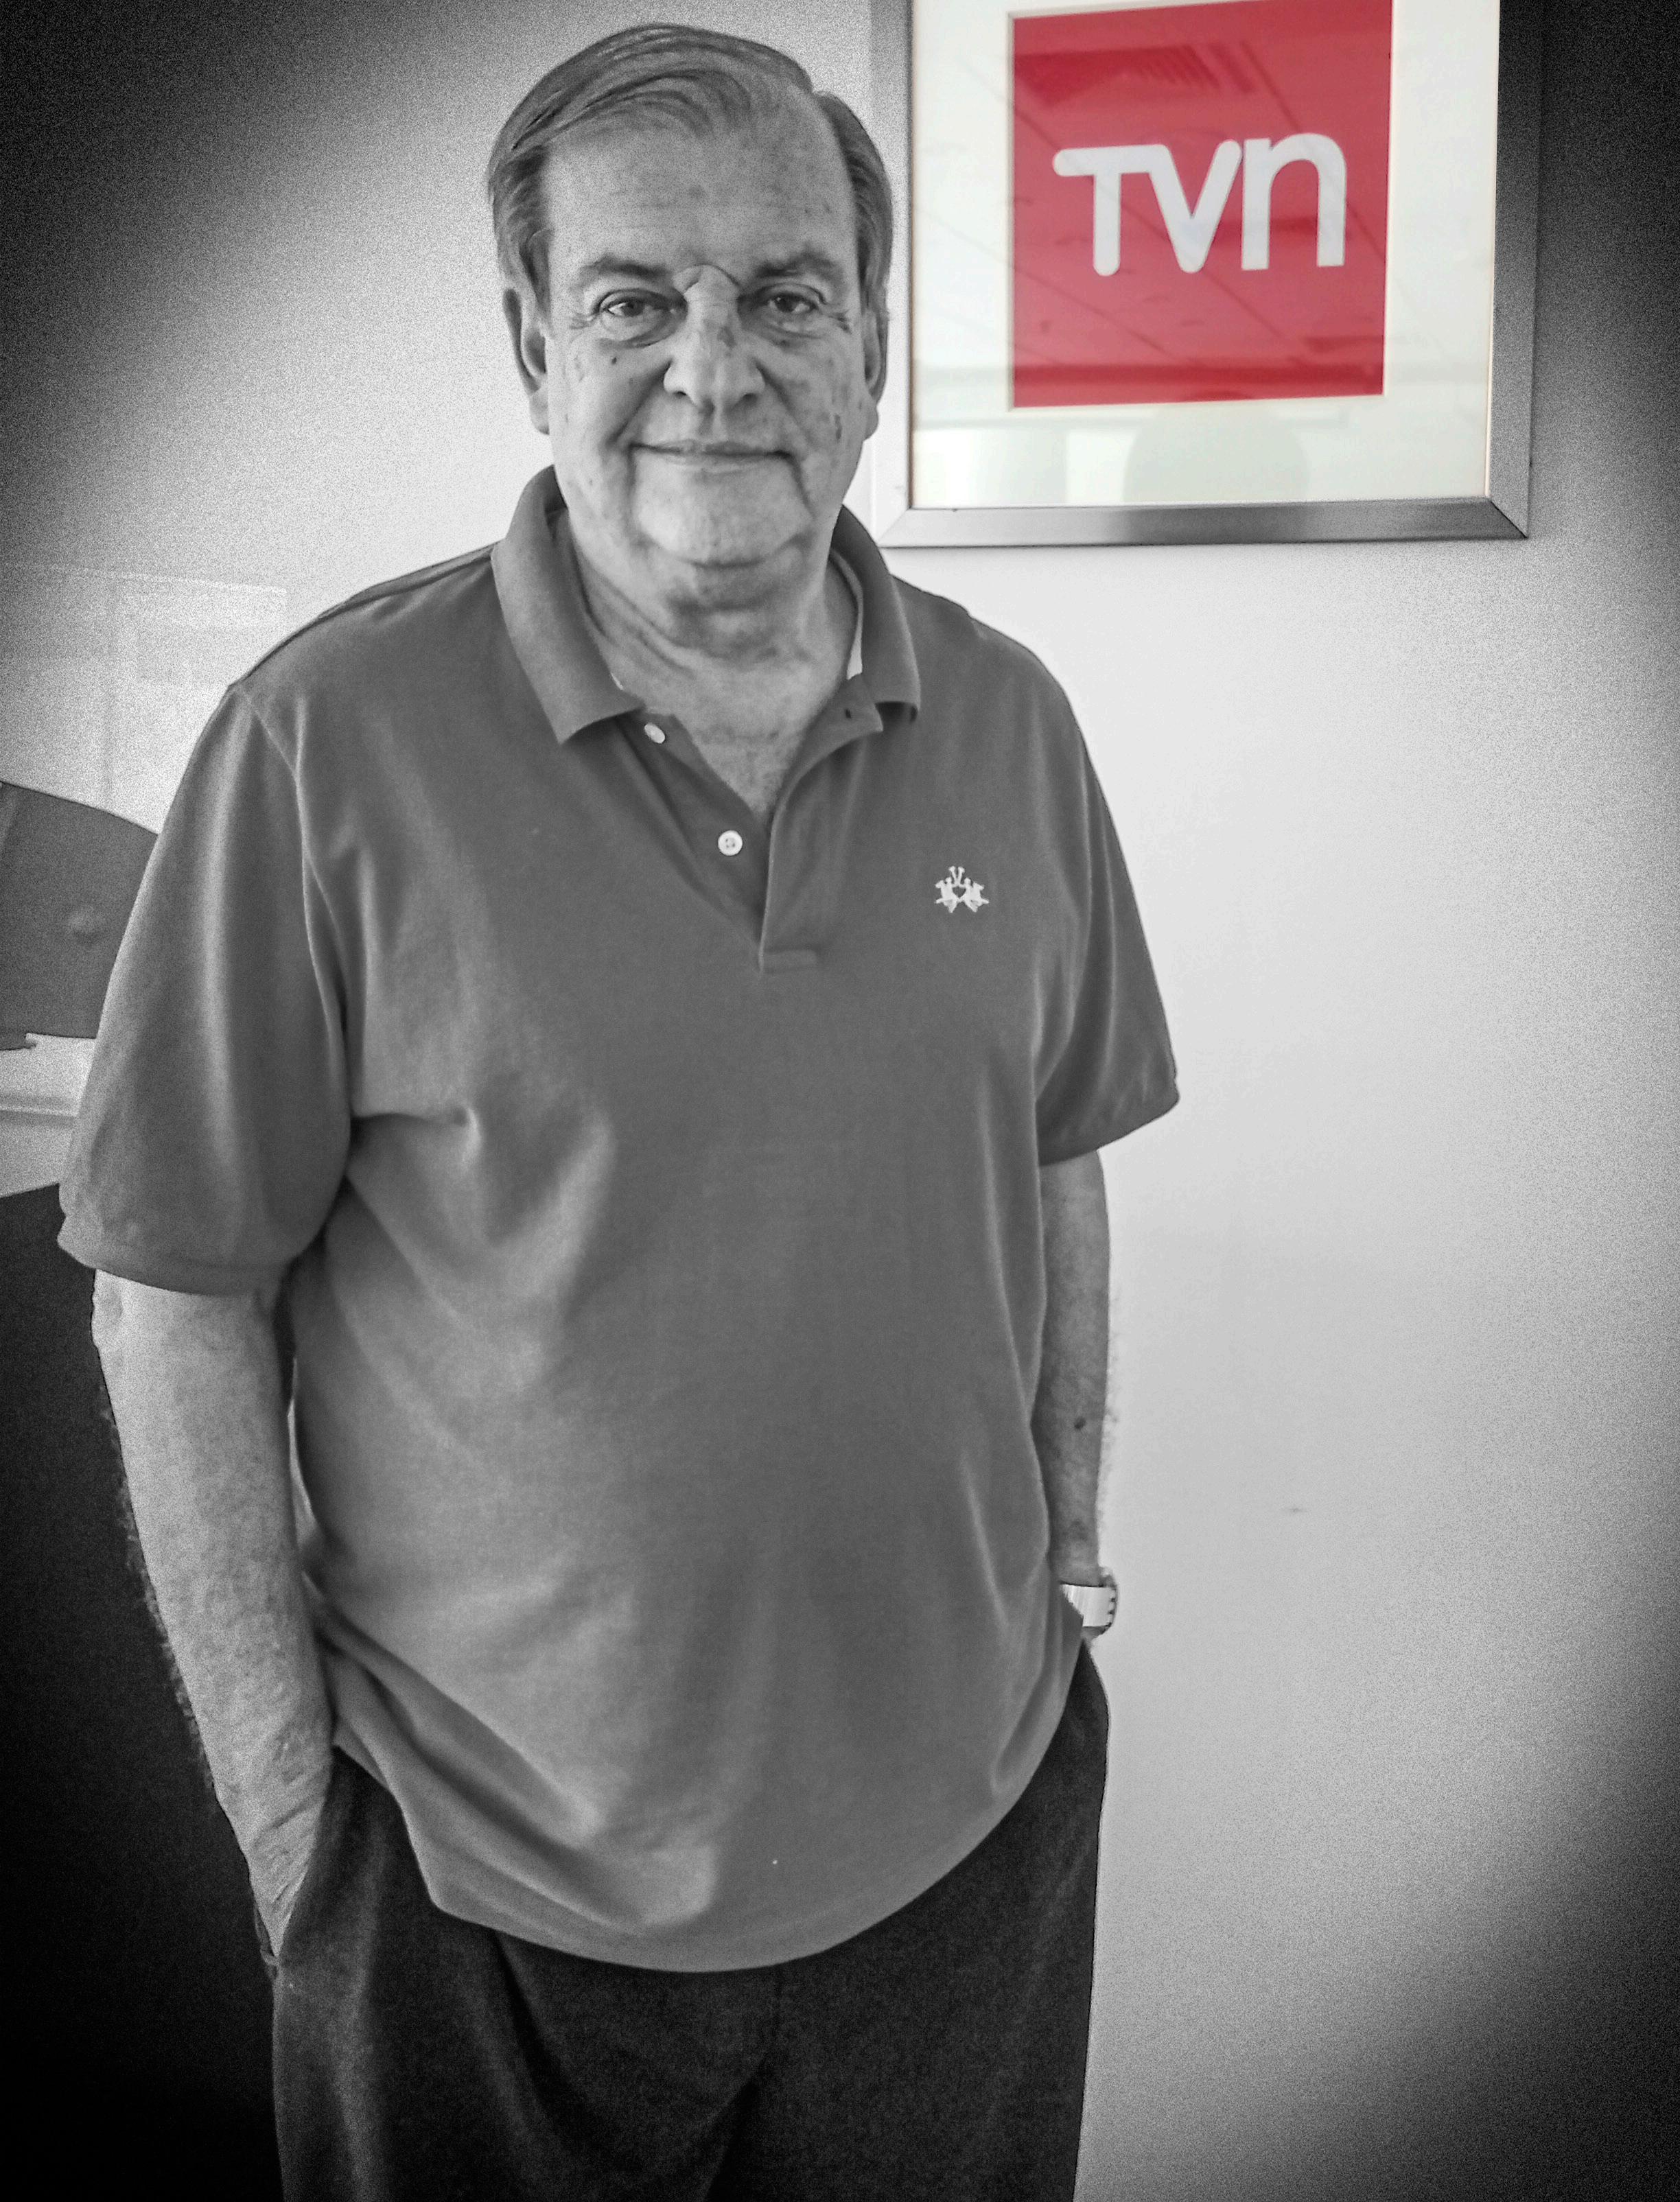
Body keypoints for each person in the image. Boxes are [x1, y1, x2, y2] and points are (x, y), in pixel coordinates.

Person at [59, 23, 1177, 2201]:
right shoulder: (322, 744)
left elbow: (1061, 1152)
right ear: (531, 344)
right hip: (482, 1916)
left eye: (786, 294)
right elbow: (170, 1301)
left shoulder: (1015, 723)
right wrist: (297, 1841)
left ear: (872, 344)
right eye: (635, 298)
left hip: (970, 1871)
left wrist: (1065, 1542)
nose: (712, 367)